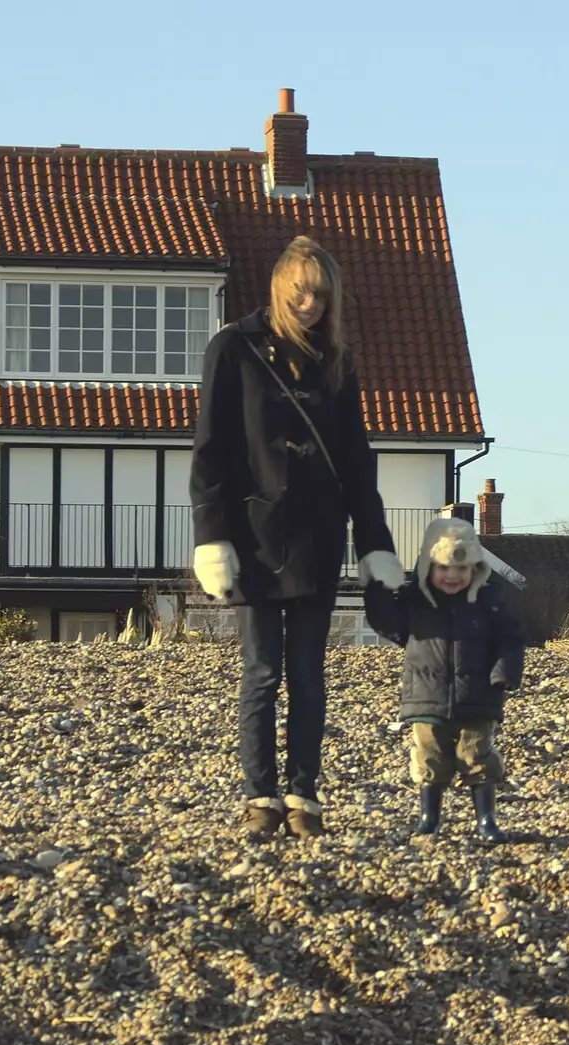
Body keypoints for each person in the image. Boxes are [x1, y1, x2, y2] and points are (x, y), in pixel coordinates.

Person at [190, 236, 404, 839]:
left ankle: (303, 796)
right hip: (254, 539)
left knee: (310, 675)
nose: (309, 302)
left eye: (320, 293)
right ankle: (259, 797)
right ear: (280, 287)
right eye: (299, 290)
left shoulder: (337, 361)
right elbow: (211, 452)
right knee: (261, 673)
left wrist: (375, 545)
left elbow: (358, 463)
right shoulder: (232, 349)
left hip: (318, 535)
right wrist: (213, 535)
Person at [364, 517, 525, 843]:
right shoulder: (414, 602)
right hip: (426, 696)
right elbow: (387, 623)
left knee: (477, 756)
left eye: (462, 569)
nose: (453, 576)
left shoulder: (489, 602)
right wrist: (376, 590)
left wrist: (505, 672)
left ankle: (486, 820)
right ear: (428, 567)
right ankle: (429, 819)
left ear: (476, 569)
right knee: (429, 758)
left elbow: (510, 638)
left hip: (478, 697)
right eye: (443, 568)